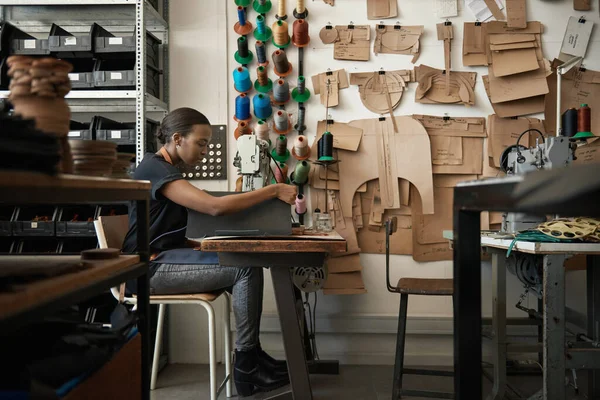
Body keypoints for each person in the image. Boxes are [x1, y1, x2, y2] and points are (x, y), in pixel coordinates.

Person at [122, 107, 298, 396]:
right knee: (244, 267)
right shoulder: (155, 169)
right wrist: (273, 191)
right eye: (201, 143)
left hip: (161, 259)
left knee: (244, 261)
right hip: (147, 270)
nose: (205, 150)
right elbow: (214, 207)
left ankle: (252, 357)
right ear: (178, 139)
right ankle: (247, 364)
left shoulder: (166, 170)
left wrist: (199, 244)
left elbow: (160, 229)